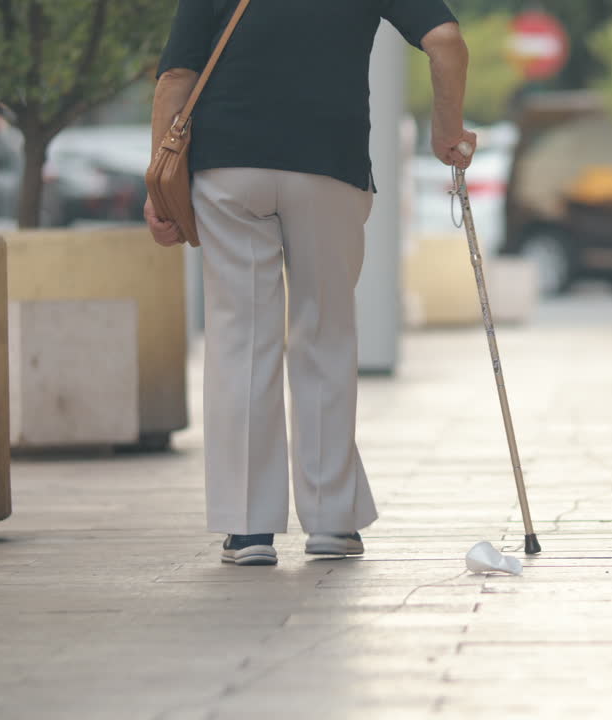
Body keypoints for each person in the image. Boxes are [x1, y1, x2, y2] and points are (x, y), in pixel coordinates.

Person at [146, 0, 475, 566]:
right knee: (324, 332)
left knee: (241, 338)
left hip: (229, 165)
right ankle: (331, 522)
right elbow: (445, 40)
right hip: (330, 163)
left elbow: (177, 77)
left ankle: (248, 530)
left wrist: (159, 186)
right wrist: (447, 131)